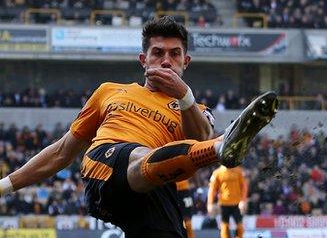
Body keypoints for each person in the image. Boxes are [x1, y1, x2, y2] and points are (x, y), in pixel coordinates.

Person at [0, 16, 278, 238]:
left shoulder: (195, 109)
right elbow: (61, 152)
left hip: (154, 189)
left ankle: (220, 147)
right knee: (142, 156)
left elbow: (198, 137)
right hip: (107, 167)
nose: (166, 60)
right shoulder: (110, 91)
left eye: (175, 54)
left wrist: (184, 96)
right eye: (157, 53)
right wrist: (4, 186)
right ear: (143, 60)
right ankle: (221, 148)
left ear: (186, 62)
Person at [207, 165, 248, 238]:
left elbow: (244, 186)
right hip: (224, 204)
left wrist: (243, 201)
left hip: (237, 204)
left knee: (240, 225)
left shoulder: (238, 171)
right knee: (224, 226)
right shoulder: (217, 173)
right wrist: (210, 203)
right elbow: (212, 189)